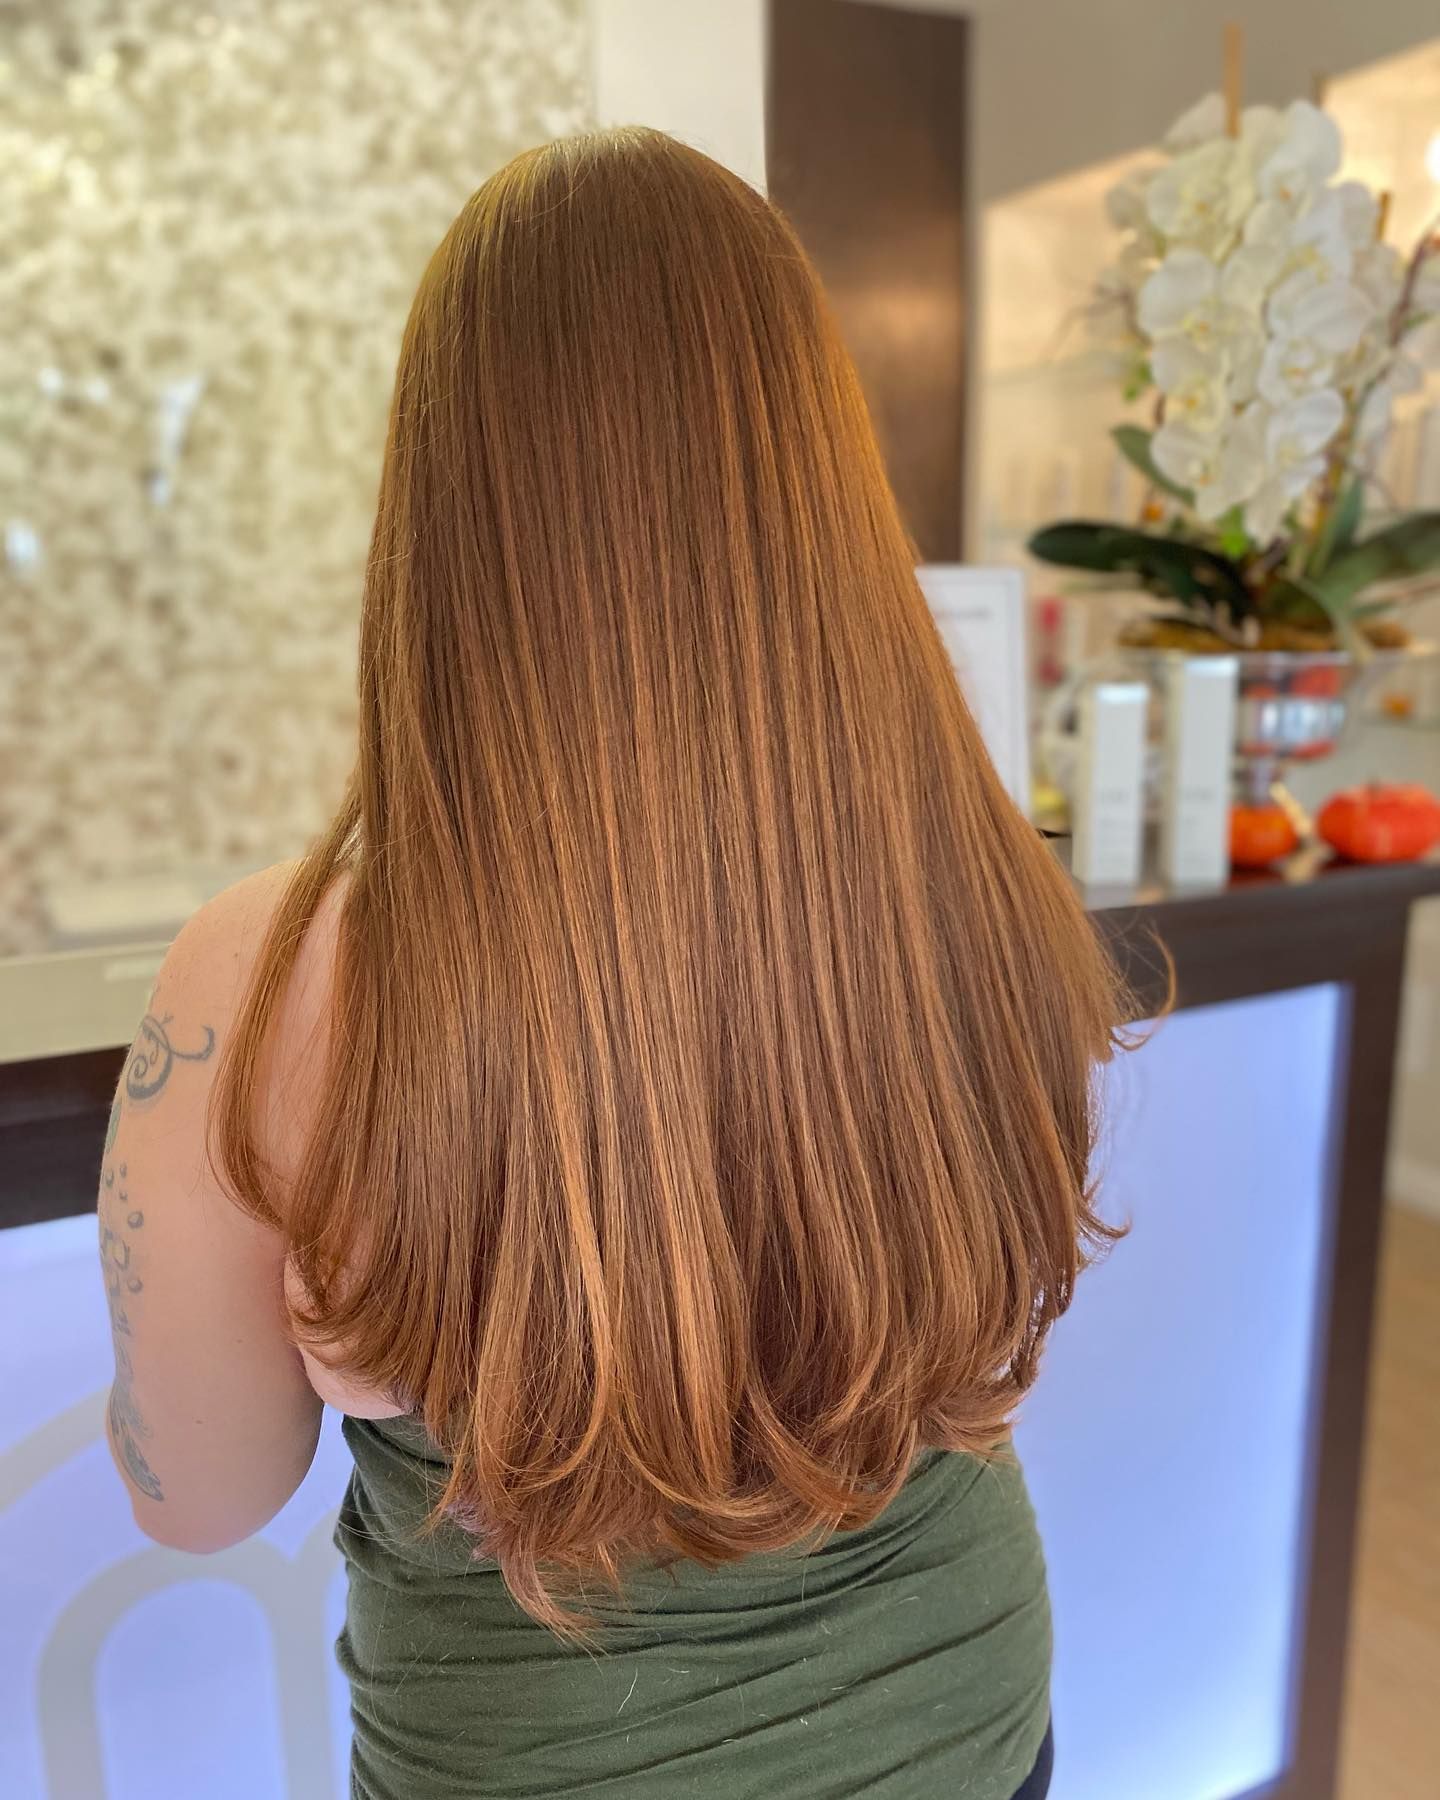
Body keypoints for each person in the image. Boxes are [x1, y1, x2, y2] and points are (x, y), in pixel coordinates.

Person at [99, 128, 1125, 1800]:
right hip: (967, 1717)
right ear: (818, 481)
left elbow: (194, 1499)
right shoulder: (984, 884)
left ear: (444, 509)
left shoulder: (266, 980)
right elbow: (975, 1363)